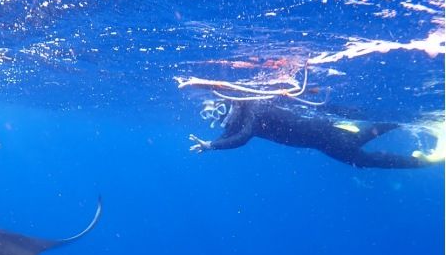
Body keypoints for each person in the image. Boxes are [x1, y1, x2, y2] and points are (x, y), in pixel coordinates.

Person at [188, 99, 443, 169]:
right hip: (324, 137)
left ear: (229, 102)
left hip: (326, 138)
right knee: (370, 135)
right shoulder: (242, 118)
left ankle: (426, 159)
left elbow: (242, 137)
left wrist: (212, 146)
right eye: (214, 116)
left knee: (364, 159)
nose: (220, 117)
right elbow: (232, 135)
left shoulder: (252, 110)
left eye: (219, 110)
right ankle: (423, 126)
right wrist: (213, 144)